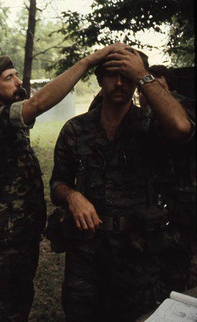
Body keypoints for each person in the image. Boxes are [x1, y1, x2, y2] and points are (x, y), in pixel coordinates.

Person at [49, 46, 193, 321]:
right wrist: (72, 196)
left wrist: (142, 74)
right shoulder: (75, 130)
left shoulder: (152, 126)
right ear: (101, 80)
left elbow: (181, 127)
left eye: (127, 76)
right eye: (112, 75)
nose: (119, 83)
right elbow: (58, 183)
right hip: (86, 257)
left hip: (138, 257)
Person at [0, 44, 121, 321]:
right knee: (10, 297)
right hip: (10, 227)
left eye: (16, 75)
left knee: (21, 291)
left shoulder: (10, 118)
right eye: (8, 78)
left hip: (22, 223)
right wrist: (87, 62)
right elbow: (39, 103)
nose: (18, 81)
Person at [138, 65, 196, 293]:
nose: (151, 94)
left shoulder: (184, 111)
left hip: (186, 228)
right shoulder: (140, 122)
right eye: (145, 89)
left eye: (158, 88)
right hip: (153, 232)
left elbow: (181, 129)